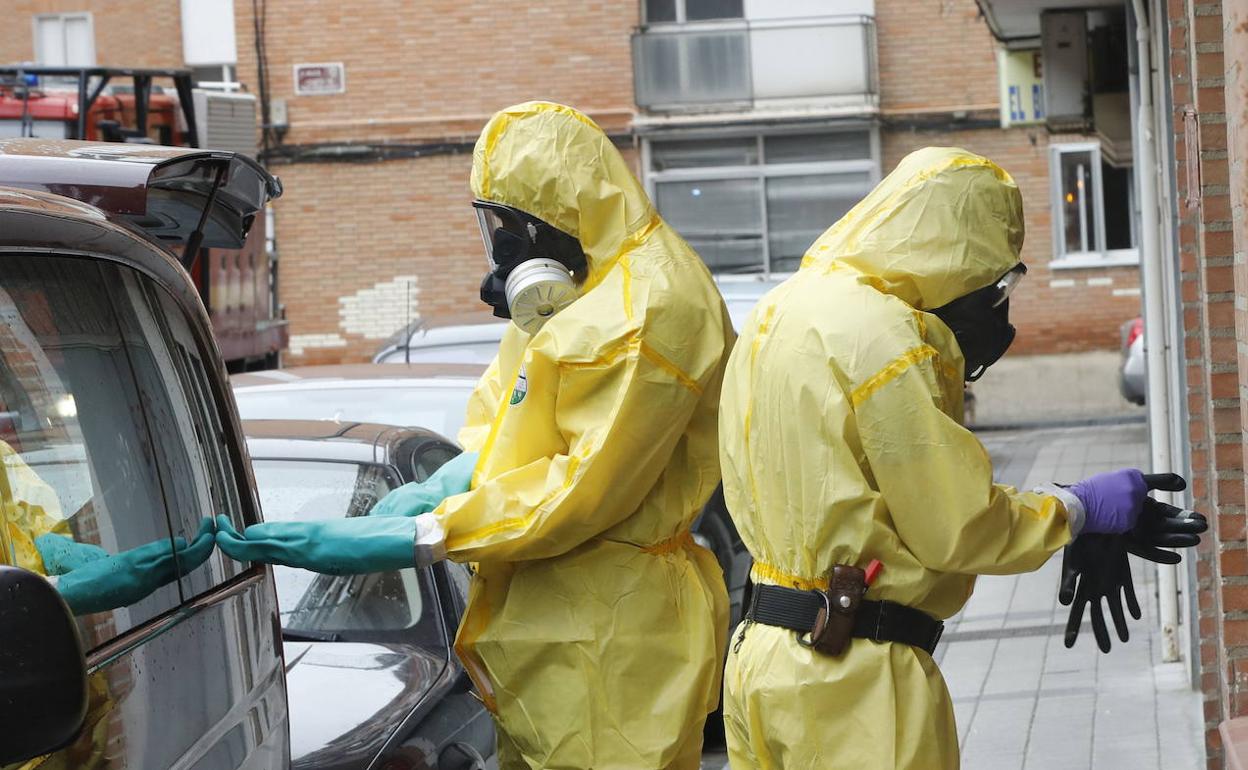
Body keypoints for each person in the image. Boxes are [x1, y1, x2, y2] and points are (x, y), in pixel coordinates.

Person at [217, 101, 733, 769]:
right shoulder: (577, 291)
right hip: (555, 635)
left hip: (616, 639)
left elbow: (583, 489)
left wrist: (430, 532)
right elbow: (505, 423)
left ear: (558, 215)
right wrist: (437, 485)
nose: (504, 251)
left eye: (511, 228)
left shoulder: (650, 306)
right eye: (494, 226)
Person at [716, 147, 1199, 769]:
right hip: (853, 680)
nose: (1001, 309)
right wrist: (1078, 510)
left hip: (761, 658)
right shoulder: (884, 336)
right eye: (1000, 284)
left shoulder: (780, 312)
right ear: (957, 257)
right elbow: (956, 523)